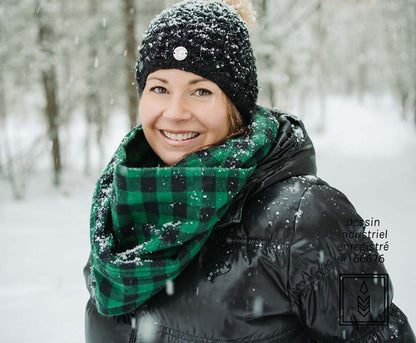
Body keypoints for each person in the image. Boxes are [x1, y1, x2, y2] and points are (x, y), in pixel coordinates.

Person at [83, 0, 416, 342]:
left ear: (235, 106)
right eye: (159, 88)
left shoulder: (307, 216)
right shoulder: (124, 204)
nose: (175, 111)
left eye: (201, 91)